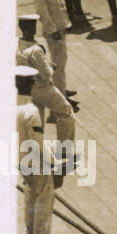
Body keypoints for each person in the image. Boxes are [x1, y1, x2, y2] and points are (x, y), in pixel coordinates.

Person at [17, 14, 77, 152]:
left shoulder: (17, 44)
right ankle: (64, 150)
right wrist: (52, 67)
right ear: (33, 28)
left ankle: (33, 154)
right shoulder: (35, 50)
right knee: (66, 113)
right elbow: (46, 74)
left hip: (26, 89)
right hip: (42, 88)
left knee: (37, 122)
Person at [16, 64, 56, 234]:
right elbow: (37, 143)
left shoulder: (11, 104)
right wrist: (50, 163)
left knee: (29, 197)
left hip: (21, 159)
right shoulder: (31, 112)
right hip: (36, 162)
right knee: (44, 197)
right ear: (31, 84)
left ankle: (29, 232)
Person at [32, 0, 71, 96]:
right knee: (57, 62)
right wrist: (52, 30)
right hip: (53, 30)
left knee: (62, 60)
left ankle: (62, 87)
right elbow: (42, 11)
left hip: (60, 26)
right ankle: (60, 94)